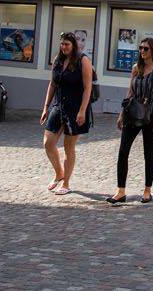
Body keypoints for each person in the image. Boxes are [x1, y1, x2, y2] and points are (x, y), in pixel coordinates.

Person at [108, 37, 153, 205]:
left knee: (148, 152)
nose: (142, 51)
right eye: (140, 48)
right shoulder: (136, 68)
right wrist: (121, 113)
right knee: (123, 151)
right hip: (133, 112)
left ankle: (147, 190)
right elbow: (130, 91)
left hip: (149, 114)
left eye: (146, 48)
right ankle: (120, 191)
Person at [41, 31, 94, 195]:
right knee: (48, 142)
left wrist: (82, 111)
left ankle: (67, 183)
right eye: (62, 44)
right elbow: (52, 84)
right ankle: (59, 173)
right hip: (58, 106)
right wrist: (46, 107)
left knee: (68, 147)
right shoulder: (58, 60)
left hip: (75, 107)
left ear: (73, 45)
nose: (64, 47)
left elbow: (88, 87)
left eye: (67, 45)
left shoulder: (83, 60)